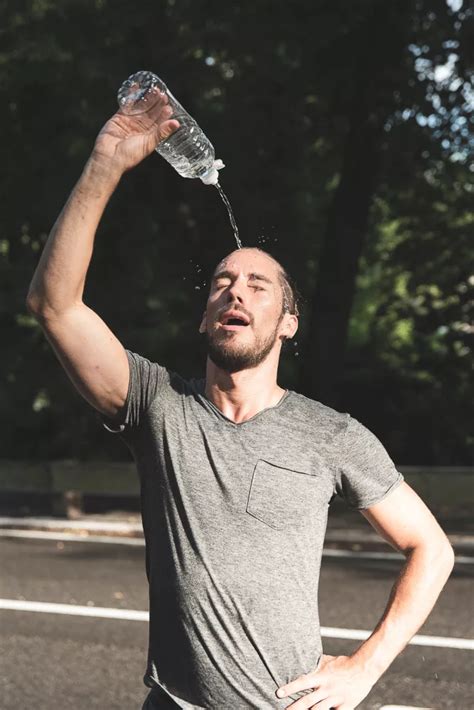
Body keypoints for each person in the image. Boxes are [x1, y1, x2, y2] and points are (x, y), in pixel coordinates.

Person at [26, 90, 454, 710]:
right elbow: (55, 305)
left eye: (258, 285)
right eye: (222, 283)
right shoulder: (157, 405)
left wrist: (364, 667)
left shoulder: (331, 434)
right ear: (205, 318)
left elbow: (432, 548)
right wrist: (106, 164)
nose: (236, 292)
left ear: (287, 324)